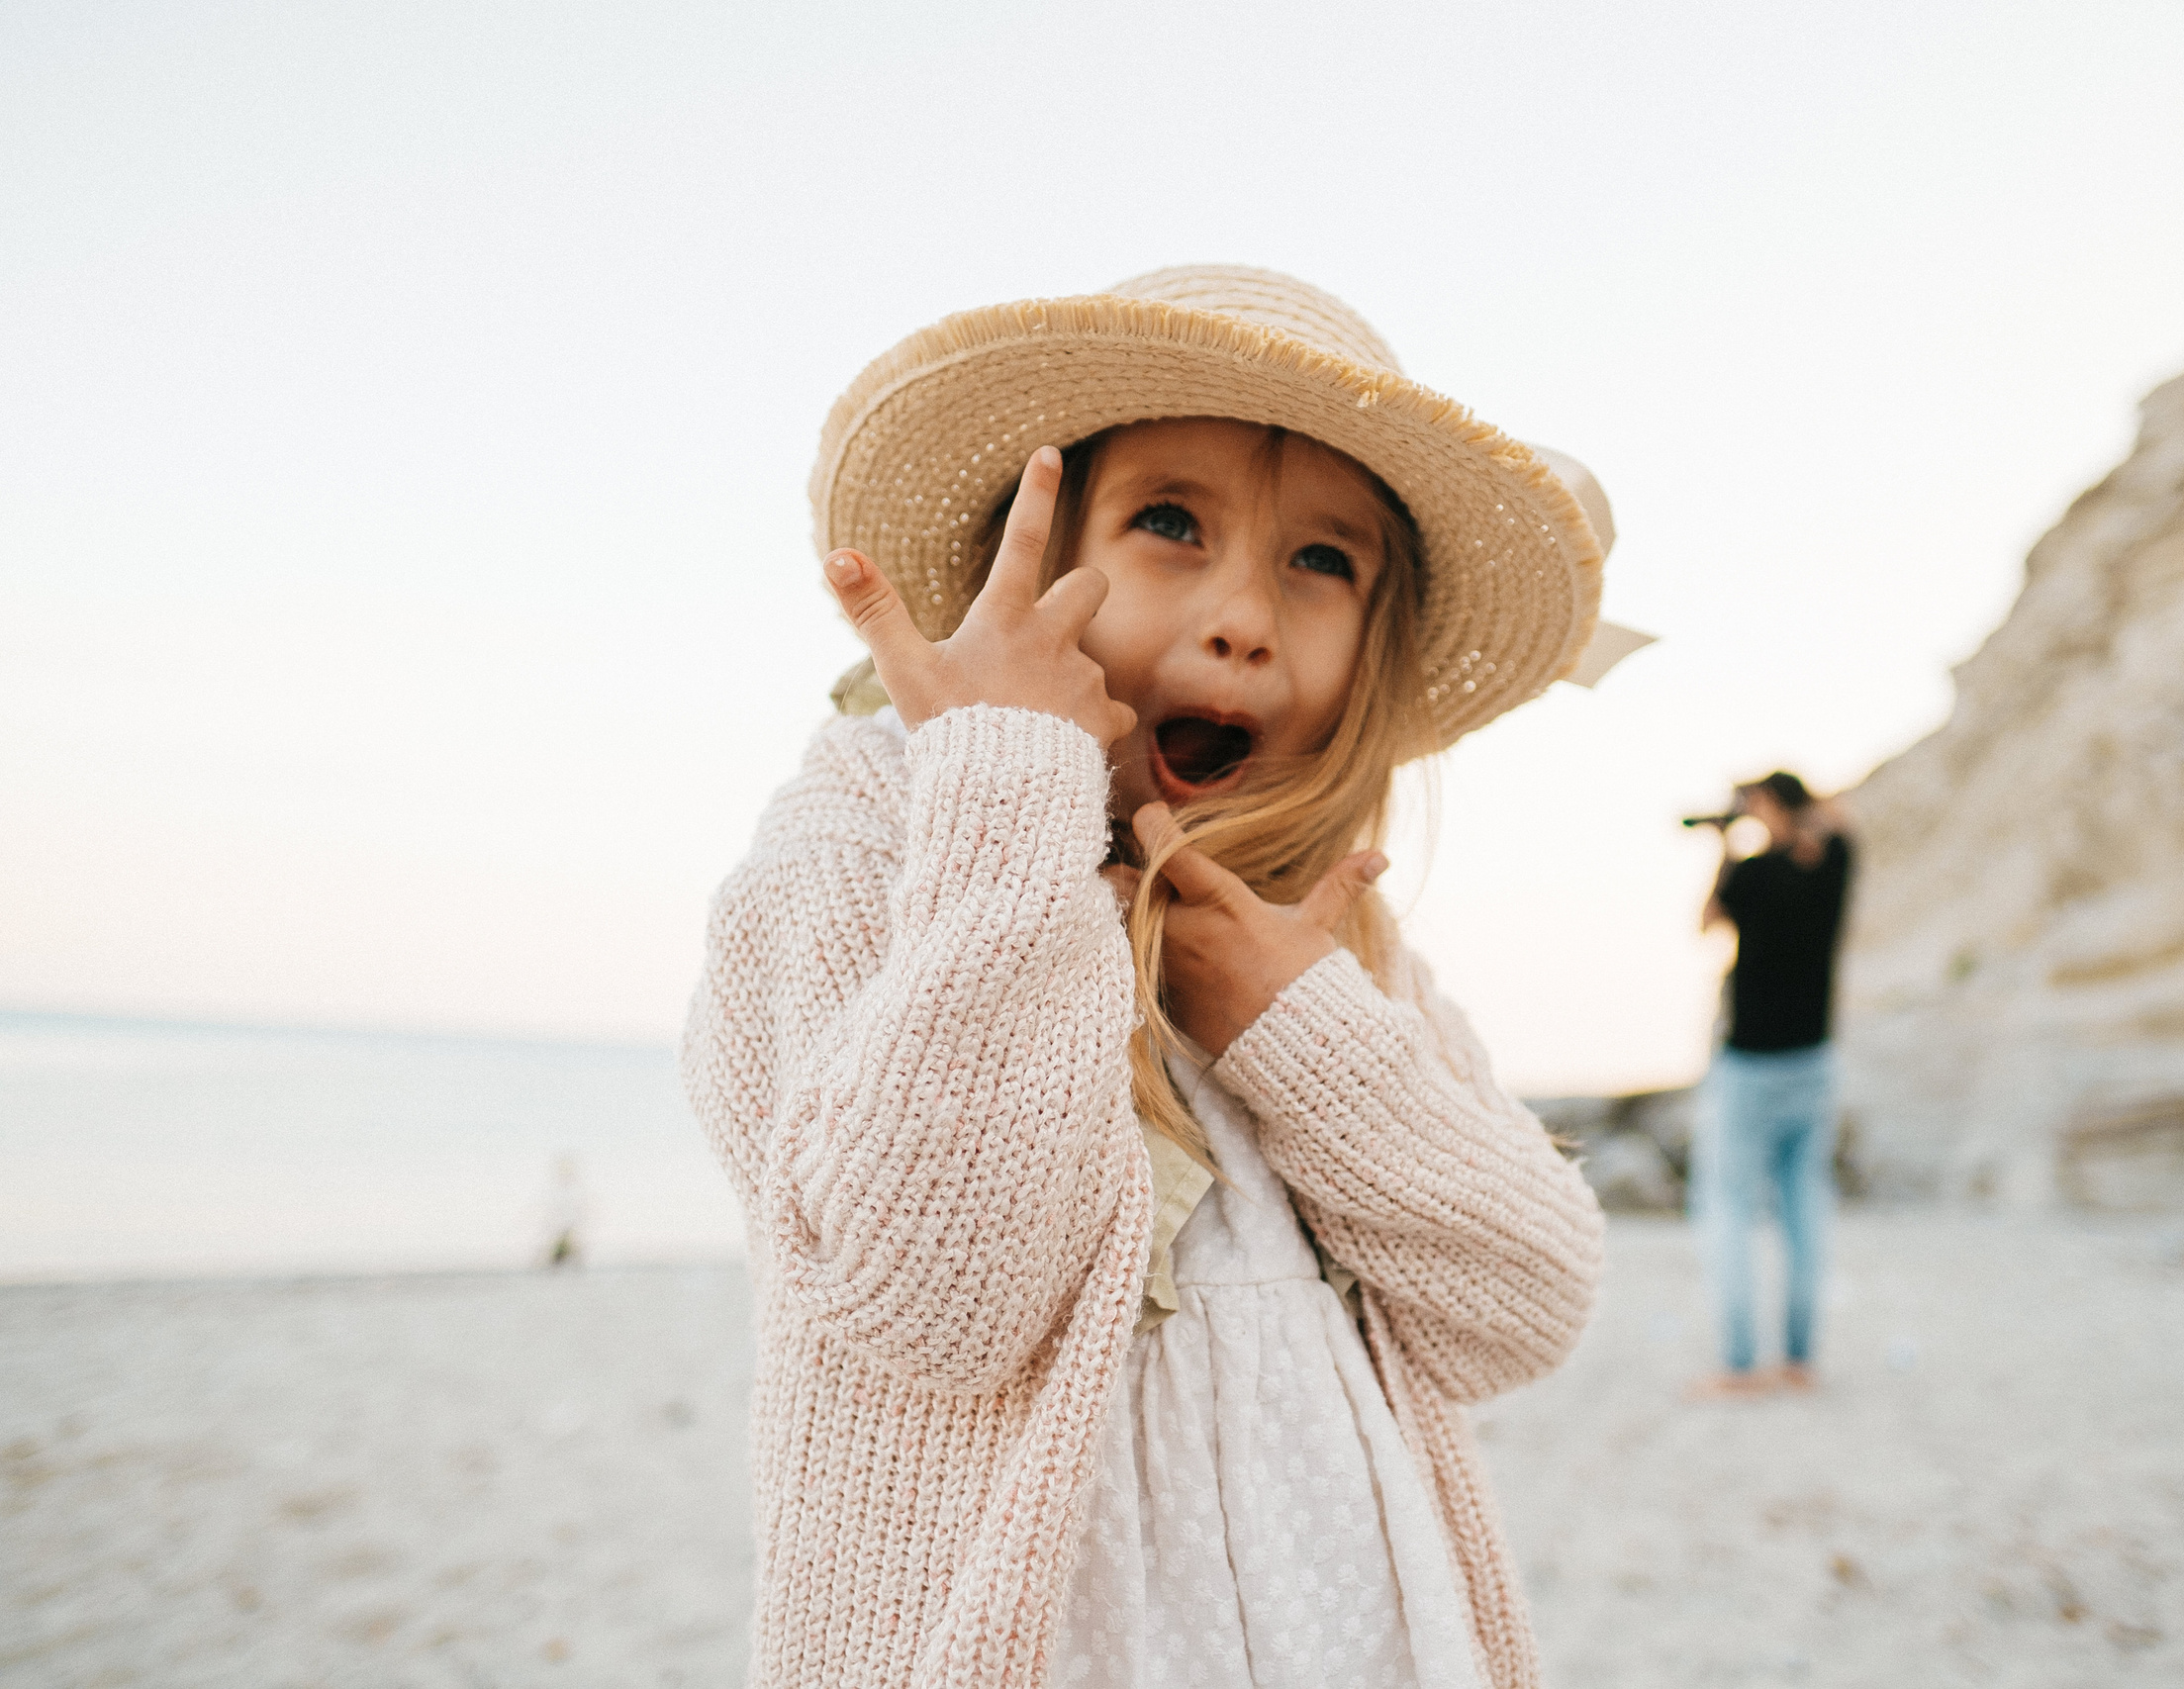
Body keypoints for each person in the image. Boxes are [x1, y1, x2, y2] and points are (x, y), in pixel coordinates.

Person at [682, 267, 1611, 1689]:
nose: (1245, 614)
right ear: (1030, 559)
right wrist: (1008, 801)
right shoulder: (860, 845)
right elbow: (939, 1300)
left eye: (1324, 561)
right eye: (1169, 522)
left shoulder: (1318, 931)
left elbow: (1520, 1305)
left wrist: (1295, 1025)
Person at [1689, 771, 1853, 1399]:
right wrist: (1802, 823)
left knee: (1728, 1210)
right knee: (1803, 1209)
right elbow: (1842, 819)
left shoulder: (1752, 874)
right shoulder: (1834, 863)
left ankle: (1738, 1363)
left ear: (1769, 807)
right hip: (1813, 1060)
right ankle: (1799, 1359)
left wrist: (1725, 844)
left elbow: (1707, 921)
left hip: (1752, 1063)